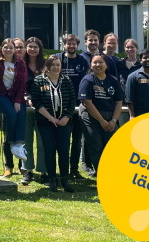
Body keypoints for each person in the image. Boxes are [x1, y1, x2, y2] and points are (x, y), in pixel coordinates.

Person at [31, 55, 76, 192]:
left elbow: (73, 100)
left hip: (64, 122)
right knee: (49, 150)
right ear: (47, 66)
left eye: (58, 65)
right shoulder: (39, 80)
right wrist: (51, 118)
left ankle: (64, 179)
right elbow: (36, 101)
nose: (56, 67)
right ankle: (52, 179)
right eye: (53, 65)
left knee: (63, 150)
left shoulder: (66, 80)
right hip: (45, 122)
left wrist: (66, 117)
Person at [78, 53, 123, 176]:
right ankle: (103, 174)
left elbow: (119, 102)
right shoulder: (87, 80)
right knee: (96, 145)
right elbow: (87, 102)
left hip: (110, 117)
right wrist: (102, 121)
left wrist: (113, 120)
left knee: (111, 146)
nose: (98, 65)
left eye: (101, 62)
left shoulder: (113, 80)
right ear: (91, 65)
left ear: (106, 65)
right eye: (95, 62)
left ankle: (112, 172)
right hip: (91, 116)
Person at [0, 38, 28, 175]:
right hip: (0, 95)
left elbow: (22, 83)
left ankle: (18, 144)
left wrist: (18, 101)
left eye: (11, 47)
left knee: (21, 112)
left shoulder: (20, 63)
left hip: (15, 95)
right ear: (1, 49)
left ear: (14, 49)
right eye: (5, 47)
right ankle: (11, 145)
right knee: (11, 114)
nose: (8, 50)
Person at [57, 34, 88, 180]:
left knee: (76, 140)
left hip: (78, 105)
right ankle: (62, 171)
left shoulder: (82, 60)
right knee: (62, 140)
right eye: (68, 43)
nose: (71, 46)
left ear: (77, 45)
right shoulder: (58, 59)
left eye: (74, 43)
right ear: (64, 45)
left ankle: (74, 169)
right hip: (60, 106)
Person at [20, 37, 47, 185]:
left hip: (42, 107)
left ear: (40, 49)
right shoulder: (21, 64)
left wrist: (36, 99)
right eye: (30, 46)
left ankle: (44, 172)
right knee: (26, 140)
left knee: (43, 140)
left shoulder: (44, 65)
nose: (33, 49)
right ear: (26, 48)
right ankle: (27, 171)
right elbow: (18, 84)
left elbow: (48, 84)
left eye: (36, 47)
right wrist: (26, 97)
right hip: (25, 107)